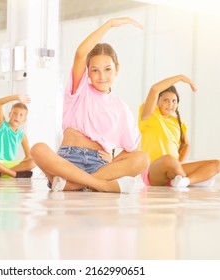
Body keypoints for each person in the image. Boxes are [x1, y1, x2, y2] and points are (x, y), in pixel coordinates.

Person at [30, 17, 149, 193]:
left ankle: (73, 184)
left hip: (99, 166)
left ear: (117, 69)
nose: (102, 76)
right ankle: (100, 185)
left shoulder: (121, 107)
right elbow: (80, 53)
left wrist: (113, 161)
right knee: (38, 149)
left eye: (107, 69)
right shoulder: (79, 89)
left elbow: (134, 149)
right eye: (95, 70)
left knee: (143, 159)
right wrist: (109, 24)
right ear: (88, 73)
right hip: (67, 160)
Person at [139, 75, 220, 188]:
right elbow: (154, 89)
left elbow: (186, 144)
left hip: (174, 167)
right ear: (157, 102)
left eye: (174, 101)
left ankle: (185, 181)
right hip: (153, 171)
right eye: (166, 100)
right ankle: (193, 180)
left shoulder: (178, 123)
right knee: (168, 160)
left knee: (217, 164)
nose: (170, 104)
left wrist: (179, 164)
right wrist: (180, 78)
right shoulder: (150, 115)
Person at [0, 94, 35, 178]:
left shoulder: (22, 136)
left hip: (8, 165)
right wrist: (16, 97)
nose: (17, 116)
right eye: (15, 113)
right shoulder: (1, 124)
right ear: (9, 114)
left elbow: (28, 157)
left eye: (21, 115)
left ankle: (3, 173)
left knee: (33, 161)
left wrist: (23, 164)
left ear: (24, 119)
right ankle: (14, 174)